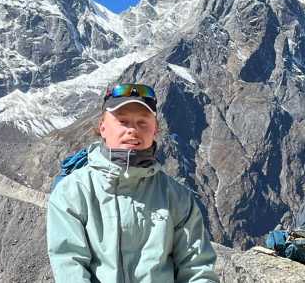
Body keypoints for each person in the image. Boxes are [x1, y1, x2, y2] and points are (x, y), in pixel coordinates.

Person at [46, 81, 219, 282]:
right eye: (123, 121)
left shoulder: (177, 197)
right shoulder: (73, 192)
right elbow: (70, 266)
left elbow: (197, 269)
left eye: (142, 122)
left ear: (155, 130)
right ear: (102, 127)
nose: (132, 130)